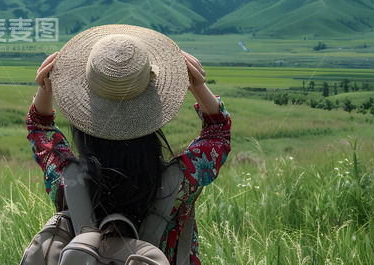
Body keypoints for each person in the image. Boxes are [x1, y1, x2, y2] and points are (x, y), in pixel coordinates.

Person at [26, 25, 231, 264]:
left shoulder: (65, 178)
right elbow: (218, 133)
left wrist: (46, 88)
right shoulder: (181, 181)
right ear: (152, 112)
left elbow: (40, 130)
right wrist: (197, 86)